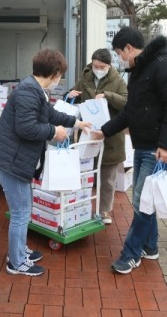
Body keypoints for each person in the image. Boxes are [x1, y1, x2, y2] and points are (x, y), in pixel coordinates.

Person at [0, 48, 92, 276]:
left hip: (14, 160)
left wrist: (76, 123)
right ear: (54, 73)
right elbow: (27, 128)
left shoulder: (35, 90)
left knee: (24, 209)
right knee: (21, 212)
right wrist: (55, 132)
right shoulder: (28, 92)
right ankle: (16, 262)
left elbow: (50, 114)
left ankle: (19, 250)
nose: (60, 79)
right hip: (10, 163)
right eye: (60, 74)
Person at [91, 27, 167, 274]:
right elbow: (130, 112)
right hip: (144, 146)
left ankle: (131, 254)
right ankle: (150, 247)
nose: (120, 59)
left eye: (120, 54)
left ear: (129, 49)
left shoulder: (163, 67)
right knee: (147, 199)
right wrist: (106, 129)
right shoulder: (139, 71)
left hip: (159, 149)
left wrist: (166, 146)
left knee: (141, 201)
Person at [67, 48, 128, 225]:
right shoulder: (86, 78)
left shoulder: (117, 80)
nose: (98, 69)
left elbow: (126, 102)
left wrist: (108, 96)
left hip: (111, 136)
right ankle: (80, 207)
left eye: (102, 66)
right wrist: (70, 94)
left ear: (109, 66)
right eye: (95, 66)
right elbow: (74, 97)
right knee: (84, 174)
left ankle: (104, 210)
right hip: (88, 134)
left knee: (107, 178)